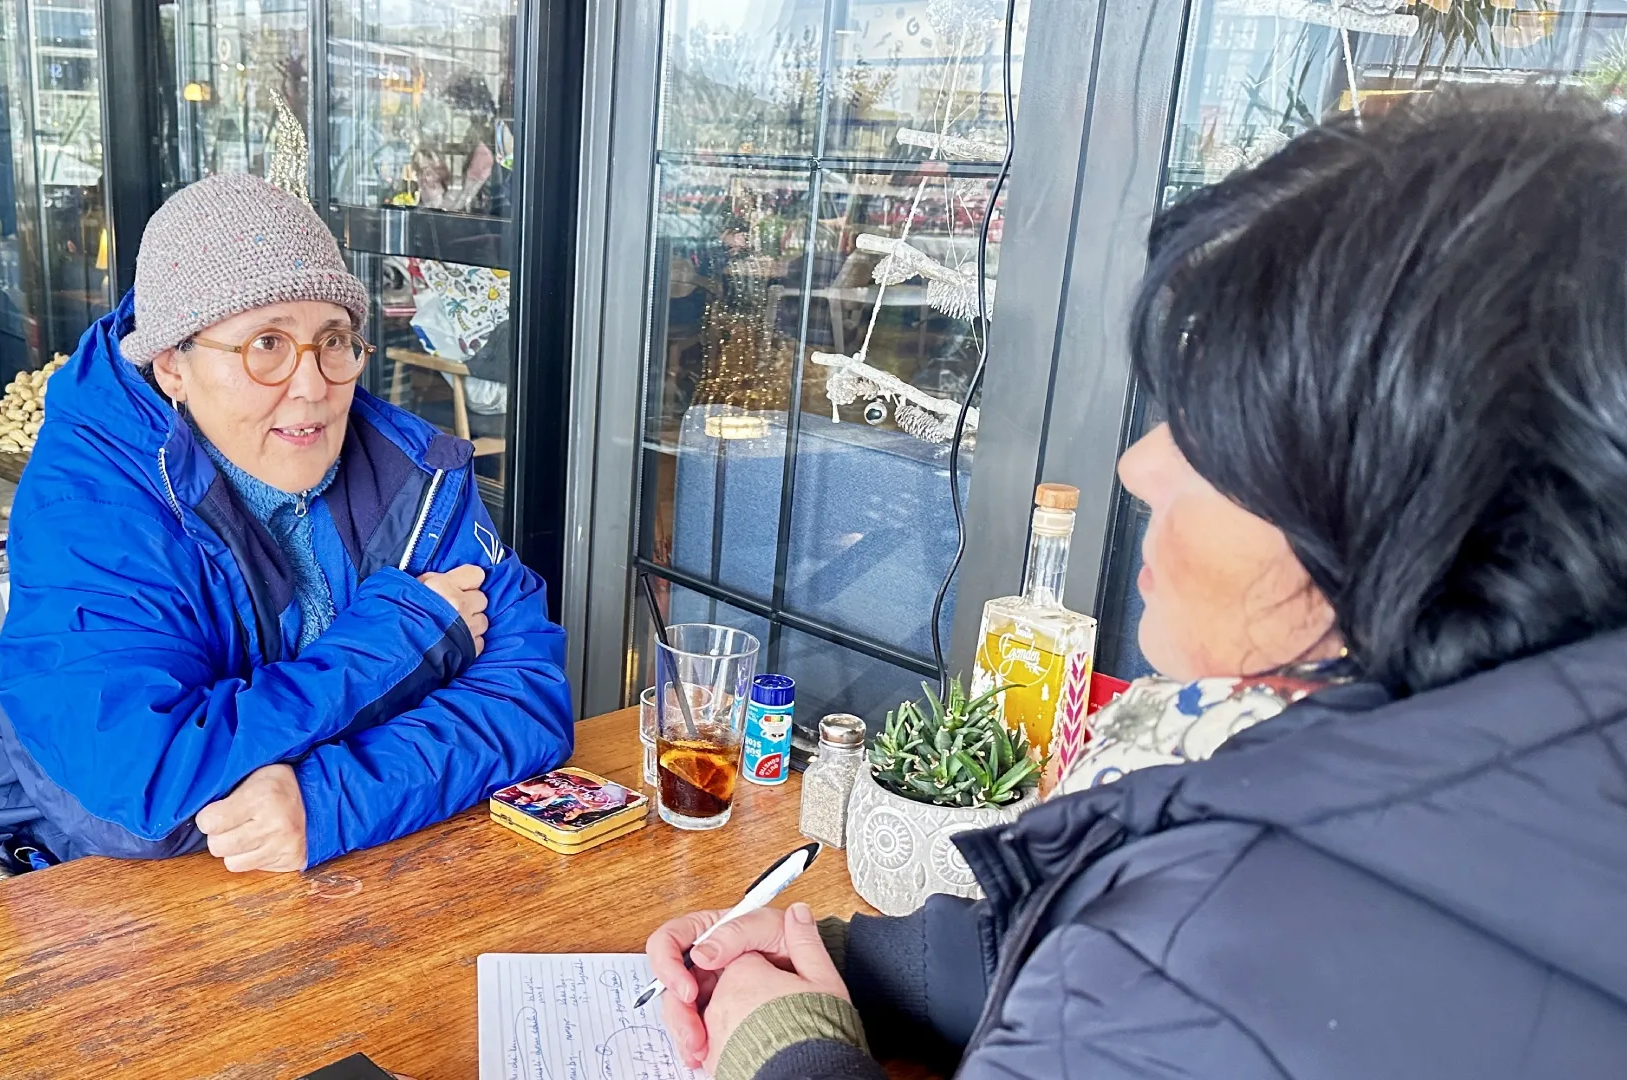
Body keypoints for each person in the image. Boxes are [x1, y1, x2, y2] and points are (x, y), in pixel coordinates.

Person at [644, 86, 1627, 1080]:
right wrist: (855, 966)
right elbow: (1111, 949)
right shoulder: (1483, 761)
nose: (1139, 466)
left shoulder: (1225, 929)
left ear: (1404, 502)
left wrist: (785, 1050)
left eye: (1212, 436)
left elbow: (1166, 982)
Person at [0, 172, 572, 873]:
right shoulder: (90, 505)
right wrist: (403, 637)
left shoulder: (413, 472)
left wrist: (330, 801)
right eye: (266, 343)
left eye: (333, 339)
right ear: (173, 366)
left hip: (355, 865)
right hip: (79, 880)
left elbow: (527, 696)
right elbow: (144, 798)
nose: (313, 386)